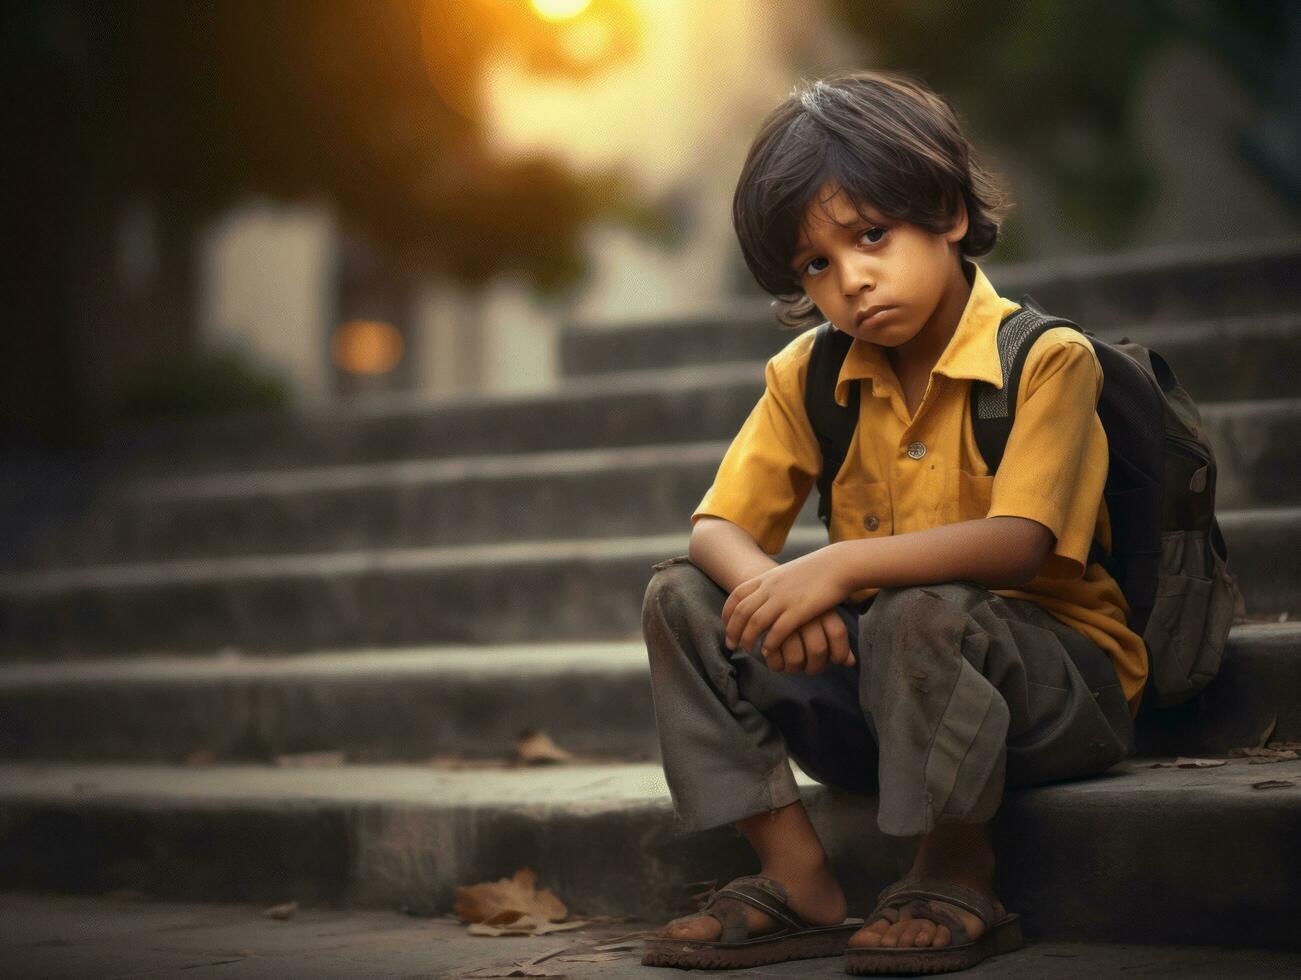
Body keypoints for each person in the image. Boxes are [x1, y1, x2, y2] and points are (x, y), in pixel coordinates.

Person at [639, 69, 1145, 975]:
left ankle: (955, 864)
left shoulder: (1046, 360)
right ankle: (799, 880)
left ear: (946, 211)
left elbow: (1019, 541)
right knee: (679, 593)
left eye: (871, 235)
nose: (851, 282)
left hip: (1055, 695)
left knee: (920, 603)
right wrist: (774, 595)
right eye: (815, 265)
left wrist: (837, 570)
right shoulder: (808, 374)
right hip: (888, 694)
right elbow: (715, 524)